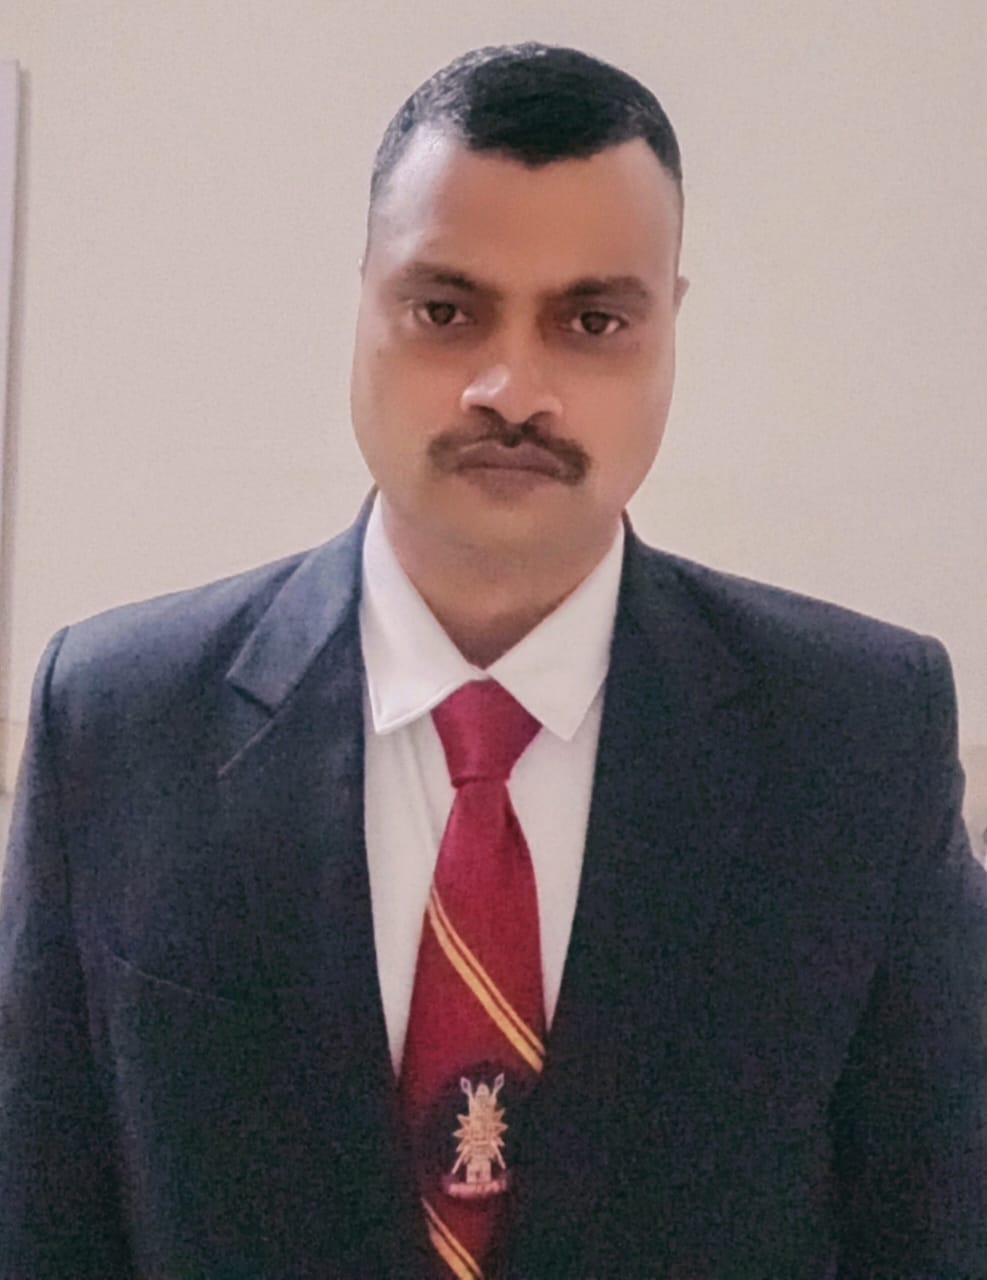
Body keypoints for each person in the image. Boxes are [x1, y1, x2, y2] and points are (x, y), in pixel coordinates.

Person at [1, 42, 985, 1280]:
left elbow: (939, 1228)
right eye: (447, 310)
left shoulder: (855, 741)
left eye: (592, 321)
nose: (513, 388)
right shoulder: (116, 721)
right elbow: (42, 1221)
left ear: (669, 327)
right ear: (362, 300)